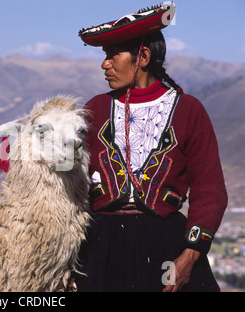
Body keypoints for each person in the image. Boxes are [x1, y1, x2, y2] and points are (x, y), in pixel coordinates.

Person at [75, 3, 227, 292]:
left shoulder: (188, 110)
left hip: (165, 248)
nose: (104, 64)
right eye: (104, 56)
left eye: (112, 55)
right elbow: (71, 187)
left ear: (142, 56)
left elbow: (210, 191)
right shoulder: (95, 108)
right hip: (99, 249)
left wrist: (188, 257)